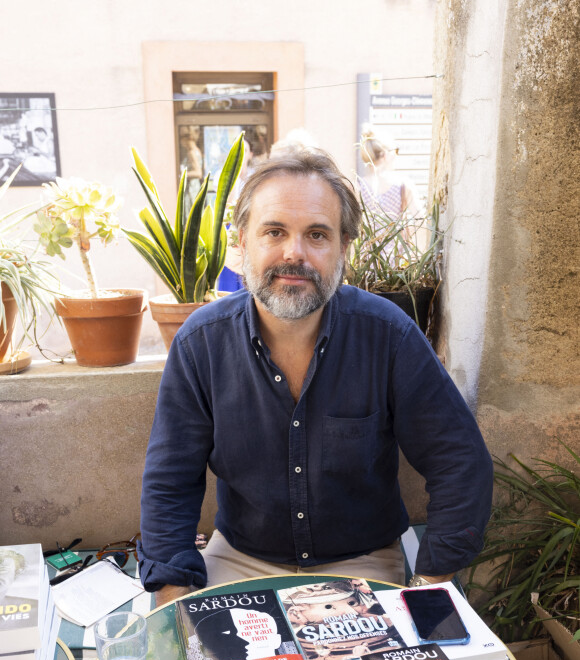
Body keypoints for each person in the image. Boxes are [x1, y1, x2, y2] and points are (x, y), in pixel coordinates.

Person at [138, 147, 493, 611]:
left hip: (361, 562)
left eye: (317, 235)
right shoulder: (200, 344)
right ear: (242, 240)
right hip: (242, 558)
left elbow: (459, 461)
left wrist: (428, 585)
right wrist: (173, 600)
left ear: (343, 248)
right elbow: (170, 482)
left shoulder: (389, 336)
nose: (295, 254)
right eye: (274, 231)